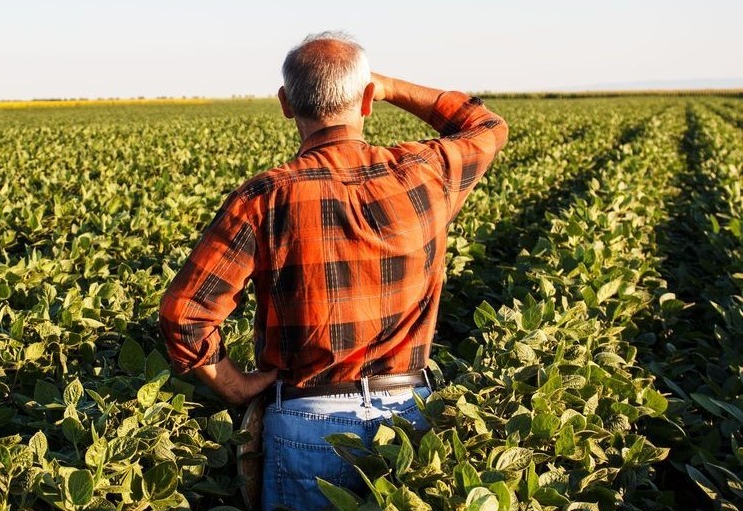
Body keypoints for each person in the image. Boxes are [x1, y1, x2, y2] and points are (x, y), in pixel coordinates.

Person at [158, 31, 508, 510]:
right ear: (367, 100)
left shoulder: (264, 197)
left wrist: (234, 384)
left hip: (306, 421)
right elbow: (485, 125)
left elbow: (185, 313)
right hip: (407, 419)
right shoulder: (426, 171)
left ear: (285, 103)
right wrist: (388, 87)